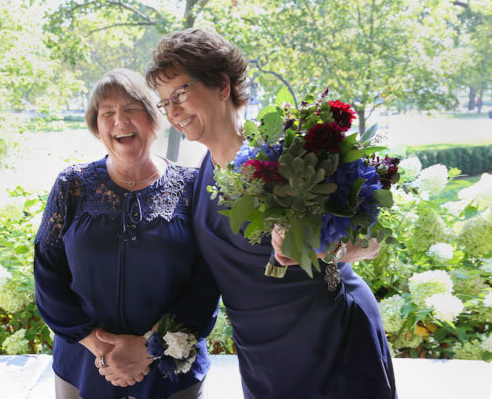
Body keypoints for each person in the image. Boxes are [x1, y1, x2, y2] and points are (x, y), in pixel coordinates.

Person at [146, 29, 397, 399]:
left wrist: (327, 250)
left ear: (222, 86)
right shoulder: (202, 175)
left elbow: (372, 241)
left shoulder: (290, 152)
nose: (174, 111)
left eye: (181, 92)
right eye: (165, 103)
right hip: (262, 354)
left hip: (331, 337)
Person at [34, 68, 219, 399]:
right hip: (83, 363)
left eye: (131, 109)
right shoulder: (71, 185)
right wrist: (100, 347)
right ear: (96, 126)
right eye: (107, 113)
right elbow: (47, 274)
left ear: (153, 119)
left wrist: (150, 348)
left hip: (171, 370)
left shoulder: (193, 187)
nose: (119, 121)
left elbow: (208, 281)